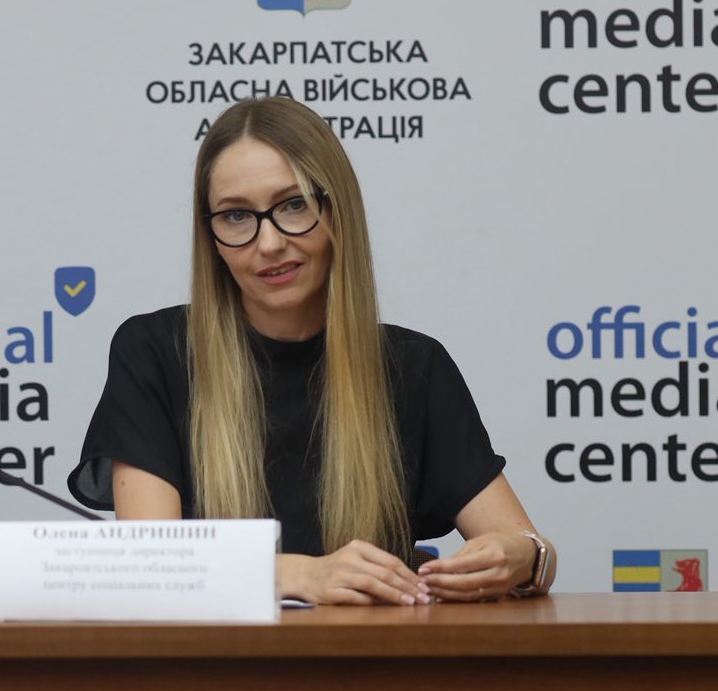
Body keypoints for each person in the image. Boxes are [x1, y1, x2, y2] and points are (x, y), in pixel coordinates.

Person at [70, 96, 555, 605]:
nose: (269, 243)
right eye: (236, 216)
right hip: (210, 657)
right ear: (210, 234)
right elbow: (149, 564)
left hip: (372, 655)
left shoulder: (415, 365)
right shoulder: (153, 351)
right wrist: (296, 575)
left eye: (294, 205)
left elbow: (527, 548)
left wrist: (522, 556)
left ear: (337, 211)